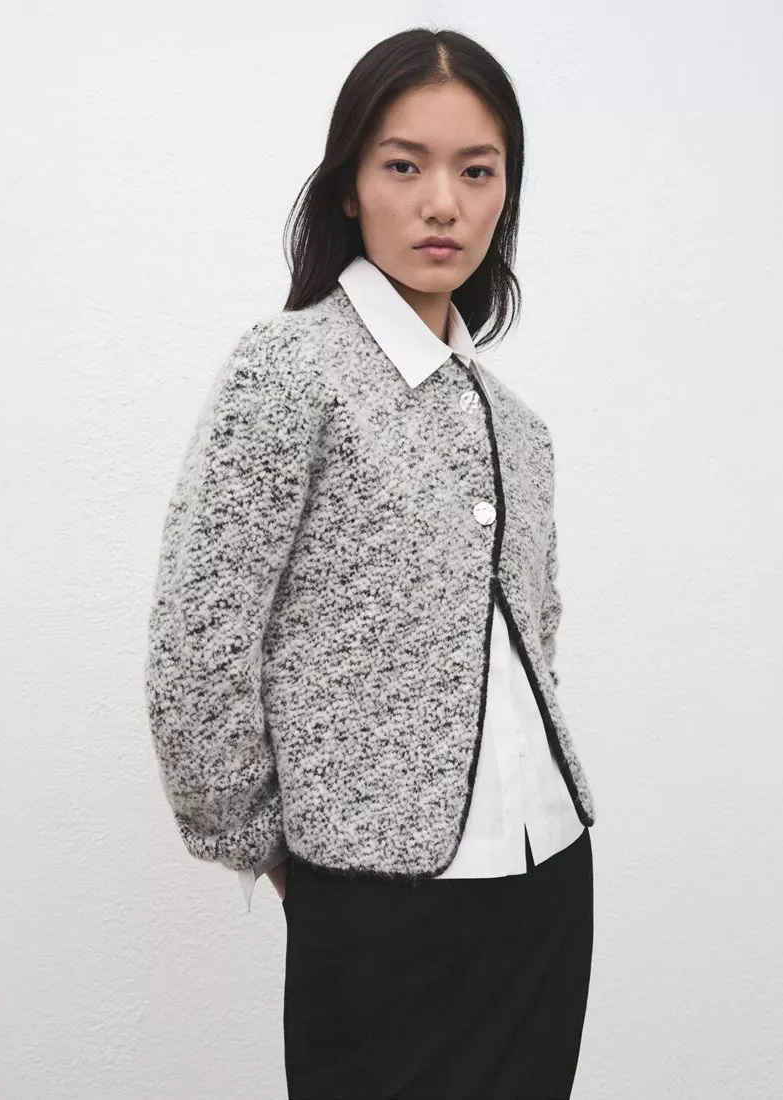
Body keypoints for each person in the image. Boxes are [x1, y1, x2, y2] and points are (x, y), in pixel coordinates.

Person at [145, 25, 597, 1100]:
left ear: (505, 195)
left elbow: (533, 630)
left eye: (477, 171)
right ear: (350, 185)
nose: (443, 203)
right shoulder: (288, 369)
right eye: (404, 165)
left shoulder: (518, 425)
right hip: (377, 901)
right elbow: (199, 645)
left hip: (547, 878)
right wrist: (274, 847)